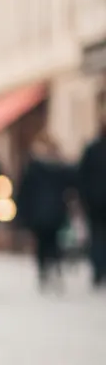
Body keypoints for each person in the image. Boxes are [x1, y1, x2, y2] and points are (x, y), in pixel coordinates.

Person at [16, 133, 76, 290]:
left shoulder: (34, 167)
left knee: (43, 242)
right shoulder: (59, 166)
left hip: (40, 212)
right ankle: (53, 269)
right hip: (55, 210)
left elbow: (24, 192)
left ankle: (45, 270)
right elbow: (72, 185)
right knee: (52, 241)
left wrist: (23, 213)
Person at [78, 119, 106, 287]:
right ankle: (99, 267)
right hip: (95, 202)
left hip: (94, 202)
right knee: (97, 235)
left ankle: (98, 268)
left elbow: (82, 177)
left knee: (96, 235)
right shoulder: (91, 150)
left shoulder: (91, 150)